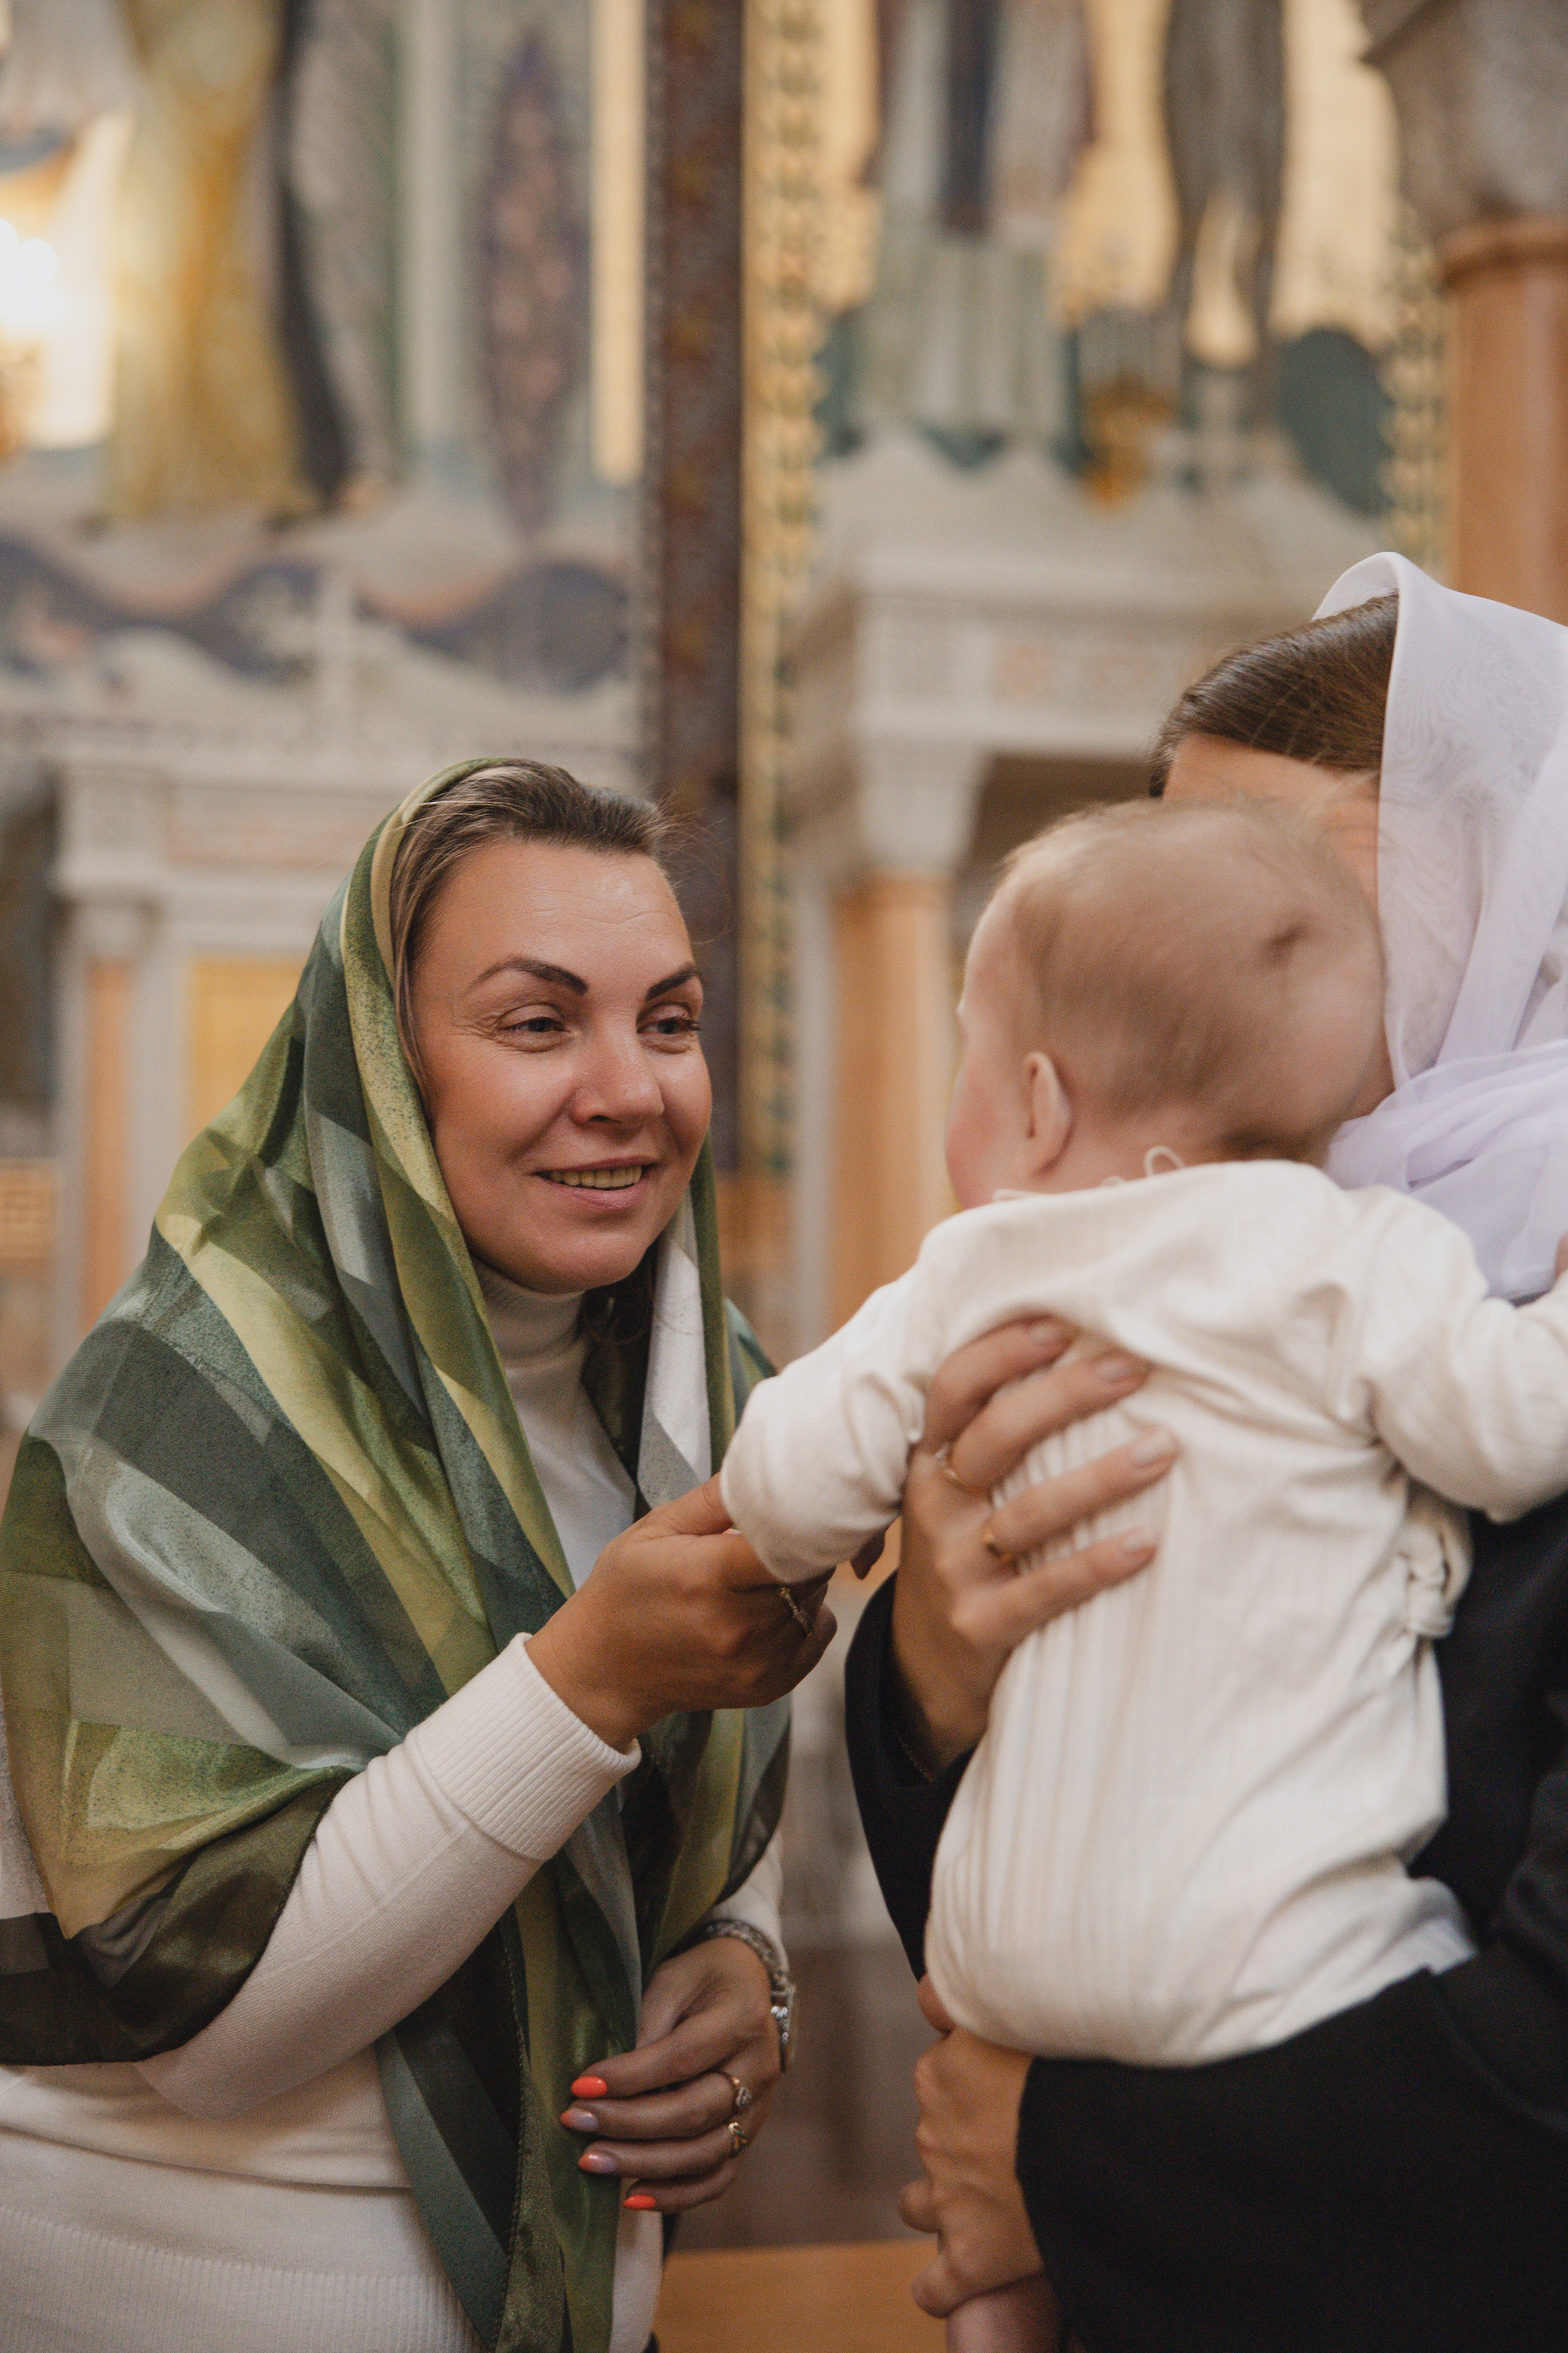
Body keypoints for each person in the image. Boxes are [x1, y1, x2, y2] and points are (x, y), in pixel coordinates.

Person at [0, 760, 831, 2353]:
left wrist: (744, 1956)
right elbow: (211, 2023)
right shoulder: (175, 1424)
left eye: (668, 1020)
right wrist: (588, 1678)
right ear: (383, 1065)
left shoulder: (709, 1384)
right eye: (538, 1023)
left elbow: (729, 1780)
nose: (629, 1087)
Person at [728, 786, 1568, 2347]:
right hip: (1265, 1976)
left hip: (997, 1981)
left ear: (1035, 1101)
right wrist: (930, 1657)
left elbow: (775, 1469)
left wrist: (813, 1526)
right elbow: (1518, 1419)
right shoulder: (1354, 1252)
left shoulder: (973, 1267)